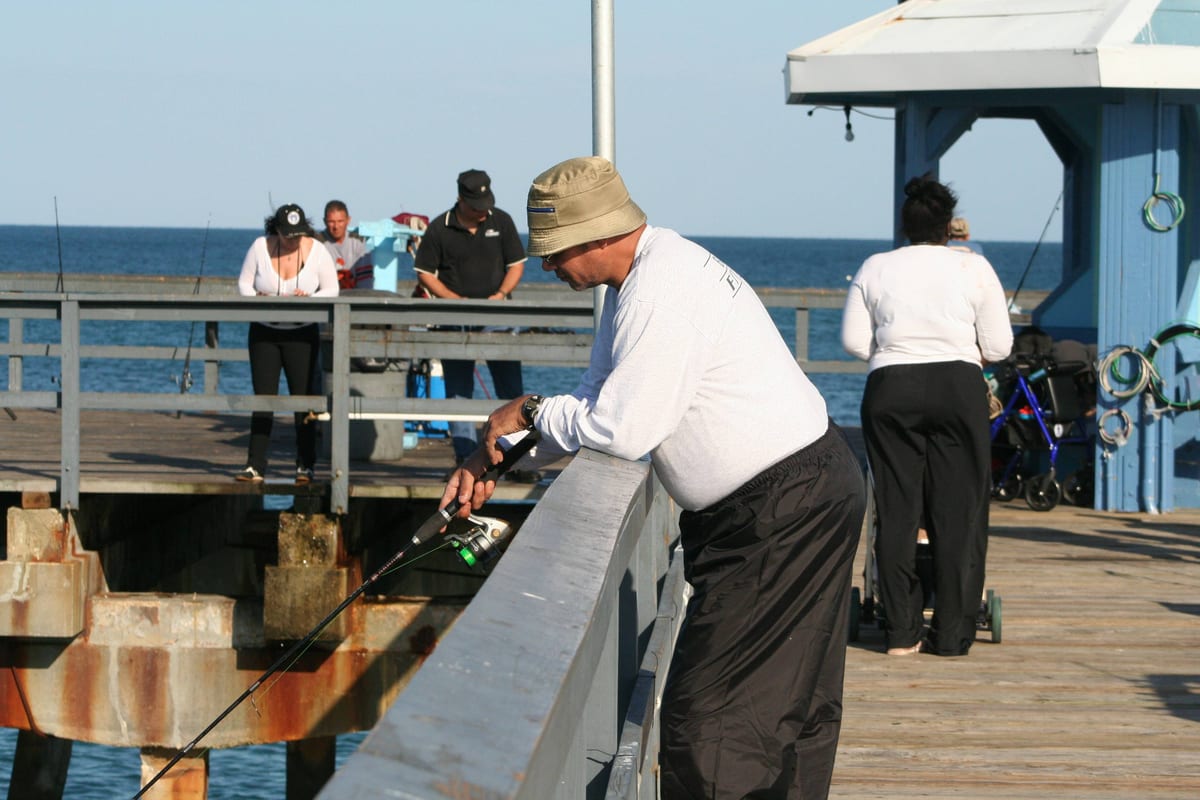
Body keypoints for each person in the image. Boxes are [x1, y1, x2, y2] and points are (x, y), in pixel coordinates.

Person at [442, 156, 865, 799]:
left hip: (781, 510)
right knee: (786, 710)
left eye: (556, 254)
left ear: (602, 234)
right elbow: (598, 394)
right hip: (788, 500)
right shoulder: (635, 280)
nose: (551, 269)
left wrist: (527, 408)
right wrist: (503, 455)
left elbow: (625, 429)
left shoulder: (663, 290)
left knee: (713, 726)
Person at [841, 175, 1013, 657]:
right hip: (957, 386)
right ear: (947, 227)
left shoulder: (875, 267)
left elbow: (855, 343)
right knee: (958, 512)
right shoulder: (974, 268)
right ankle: (954, 635)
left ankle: (900, 633)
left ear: (905, 225)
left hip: (892, 386)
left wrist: (896, 349)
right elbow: (999, 346)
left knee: (897, 508)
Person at [413, 169, 527, 465]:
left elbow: (516, 264)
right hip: (454, 317)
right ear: (461, 200)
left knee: (510, 389)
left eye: (485, 205)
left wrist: (501, 294)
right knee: (458, 392)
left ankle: (516, 454)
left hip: (497, 315)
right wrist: (453, 300)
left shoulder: (501, 220)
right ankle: (465, 457)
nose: (482, 212)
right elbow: (424, 272)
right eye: (477, 206)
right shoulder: (440, 227)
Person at [236, 203, 340, 483]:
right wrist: (257, 299)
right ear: (276, 230)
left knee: (303, 399)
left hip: (302, 334)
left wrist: (309, 299)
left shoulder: (318, 251)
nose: (293, 241)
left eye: (298, 235)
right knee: (263, 398)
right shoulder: (259, 246)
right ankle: (255, 465)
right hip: (264, 333)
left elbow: (332, 289)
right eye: (288, 235)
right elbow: (244, 285)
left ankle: (305, 465)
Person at [320, 200, 374, 289]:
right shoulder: (318, 244)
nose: (336, 226)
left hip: (355, 297)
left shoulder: (358, 242)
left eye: (340, 221)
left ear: (348, 220)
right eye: (331, 221)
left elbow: (365, 283)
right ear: (325, 222)